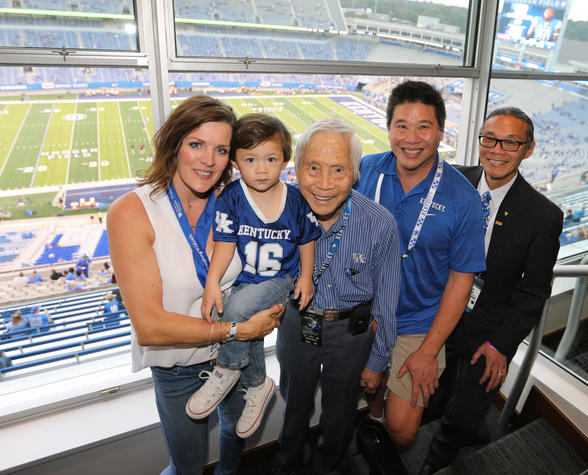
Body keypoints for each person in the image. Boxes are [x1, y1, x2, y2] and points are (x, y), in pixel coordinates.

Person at [107, 95, 284, 475]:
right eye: (196, 145)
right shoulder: (132, 211)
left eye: (221, 149)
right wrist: (237, 328)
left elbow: (266, 267)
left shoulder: (236, 200)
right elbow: (151, 328)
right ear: (174, 145)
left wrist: (273, 303)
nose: (208, 160)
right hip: (179, 367)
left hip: (236, 358)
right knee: (186, 466)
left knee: (235, 441)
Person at [421, 106, 563, 473]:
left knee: (464, 415)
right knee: (431, 397)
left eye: (511, 143)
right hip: (437, 314)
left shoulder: (543, 215)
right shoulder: (449, 181)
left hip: (489, 331)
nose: (497, 149)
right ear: (479, 139)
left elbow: (533, 292)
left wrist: (501, 344)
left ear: (528, 150)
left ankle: (436, 462)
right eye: (490, 139)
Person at [354, 80, 486, 452]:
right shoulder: (366, 170)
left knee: (403, 430)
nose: (411, 138)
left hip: (416, 323)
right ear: (389, 128)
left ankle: (386, 435)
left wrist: (429, 350)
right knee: (372, 392)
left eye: (423, 126)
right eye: (402, 125)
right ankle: (374, 422)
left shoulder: (463, 199)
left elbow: (462, 281)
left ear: (441, 132)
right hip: (365, 313)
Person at [274, 119, 401, 474]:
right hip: (296, 325)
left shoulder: (380, 223)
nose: (325, 184)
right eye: (313, 168)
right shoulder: (277, 212)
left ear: (356, 174)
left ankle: (328, 466)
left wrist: (378, 361)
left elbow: (388, 301)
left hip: (352, 334)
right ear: (296, 169)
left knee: (341, 411)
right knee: (294, 405)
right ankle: (288, 463)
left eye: (339, 170)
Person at [187, 114, 321, 439]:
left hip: (281, 277)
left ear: (285, 160)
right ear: (234, 161)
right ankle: (258, 385)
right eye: (250, 159)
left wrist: (305, 277)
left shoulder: (296, 199)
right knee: (245, 325)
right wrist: (212, 284)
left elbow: (306, 239)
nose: (261, 169)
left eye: (271, 159)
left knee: (235, 312)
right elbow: (224, 244)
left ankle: (227, 369)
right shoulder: (232, 198)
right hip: (247, 277)